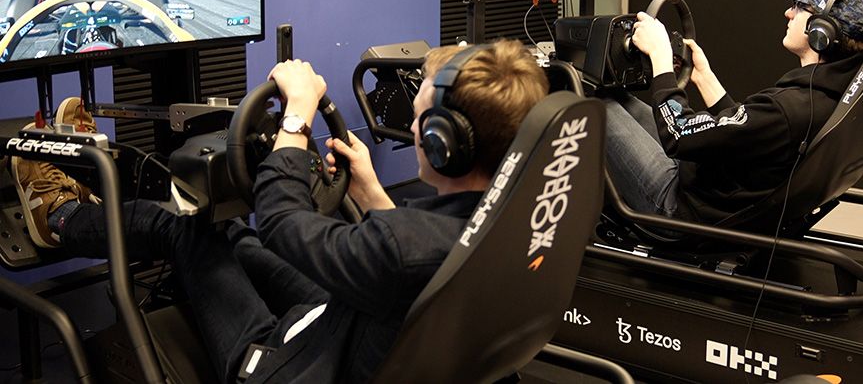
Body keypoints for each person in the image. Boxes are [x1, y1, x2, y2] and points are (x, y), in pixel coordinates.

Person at [12, 39, 548, 383]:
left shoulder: (401, 250)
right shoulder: (519, 220)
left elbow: (285, 222)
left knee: (185, 229)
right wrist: (369, 192)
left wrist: (295, 120)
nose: (411, 129)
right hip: (365, 329)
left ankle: (57, 219)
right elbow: (415, 257)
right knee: (235, 237)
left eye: (417, 120)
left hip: (284, 370)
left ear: (443, 144)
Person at [604, 0, 863, 224]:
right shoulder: (832, 94)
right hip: (718, 190)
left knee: (594, 103)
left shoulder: (788, 109)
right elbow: (747, 134)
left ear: (821, 31)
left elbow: (678, 135)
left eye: (799, 7)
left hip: (681, 208)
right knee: (621, 100)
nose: (788, 13)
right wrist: (705, 78)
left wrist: (660, 60)